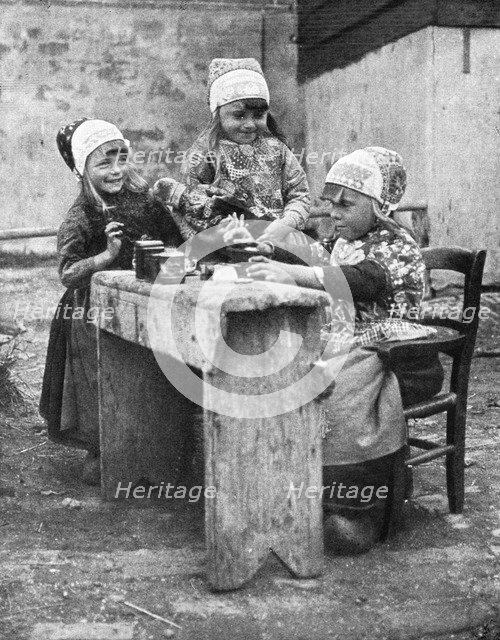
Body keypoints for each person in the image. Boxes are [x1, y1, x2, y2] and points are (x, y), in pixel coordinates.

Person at [223, 147, 444, 554]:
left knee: (339, 390)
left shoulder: (395, 246)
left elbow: (356, 281)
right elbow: (315, 252)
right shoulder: (346, 238)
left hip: (401, 354)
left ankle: (358, 511)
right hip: (354, 342)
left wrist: (292, 273)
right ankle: (294, 486)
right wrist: (273, 250)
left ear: (378, 207)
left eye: (347, 204)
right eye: (330, 203)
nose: (334, 212)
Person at [39, 118, 183, 485]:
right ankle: (102, 450)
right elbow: (69, 273)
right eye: (104, 162)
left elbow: (175, 240)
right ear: (82, 168)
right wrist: (107, 255)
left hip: (140, 300)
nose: (117, 169)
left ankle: (153, 449)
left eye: (121, 157)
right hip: (91, 312)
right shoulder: (81, 215)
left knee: (144, 371)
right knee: (101, 380)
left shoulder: (145, 200)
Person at [153, 57, 310, 246]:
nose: (250, 124)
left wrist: (285, 225)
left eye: (258, 116)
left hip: (276, 243)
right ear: (217, 113)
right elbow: (189, 204)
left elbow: (299, 194)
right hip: (224, 245)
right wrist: (220, 228)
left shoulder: (278, 150)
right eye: (239, 115)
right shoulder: (204, 153)